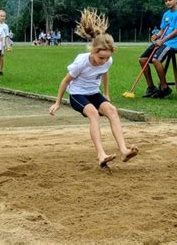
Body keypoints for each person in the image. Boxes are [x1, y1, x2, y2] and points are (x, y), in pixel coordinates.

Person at [49, 9, 138, 168]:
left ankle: (124, 149)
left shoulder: (107, 61)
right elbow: (65, 81)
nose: (103, 61)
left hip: (94, 93)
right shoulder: (81, 62)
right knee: (94, 114)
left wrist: (106, 93)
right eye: (101, 57)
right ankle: (101, 154)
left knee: (112, 110)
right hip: (77, 94)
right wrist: (57, 102)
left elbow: (105, 73)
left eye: (107, 57)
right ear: (93, 51)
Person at [139, 0, 177, 99]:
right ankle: (151, 87)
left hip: (171, 43)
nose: (167, 2)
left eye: (170, 0)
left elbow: (176, 31)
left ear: (176, 0)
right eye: (166, 1)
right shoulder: (166, 14)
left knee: (155, 60)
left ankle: (164, 87)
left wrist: (162, 40)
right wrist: (156, 36)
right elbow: (162, 30)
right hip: (161, 41)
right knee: (142, 59)